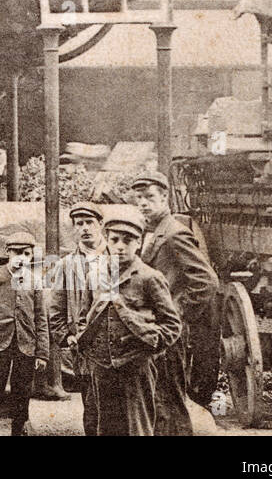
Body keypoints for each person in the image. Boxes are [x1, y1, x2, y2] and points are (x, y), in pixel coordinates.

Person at [76, 210, 182, 436]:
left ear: (139, 242)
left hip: (135, 367)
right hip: (101, 366)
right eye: (114, 239)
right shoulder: (95, 276)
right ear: (107, 240)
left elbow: (172, 326)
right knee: (102, 427)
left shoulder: (149, 277)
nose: (120, 246)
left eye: (128, 240)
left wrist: (149, 348)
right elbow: (82, 317)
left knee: (137, 428)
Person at [130, 170, 220, 436]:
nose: (143, 203)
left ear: (165, 197)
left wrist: (176, 314)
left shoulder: (174, 234)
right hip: (154, 331)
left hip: (167, 334)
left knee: (169, 401)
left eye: (149, 197)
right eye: (139, 198)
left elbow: (207, 281)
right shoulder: (152, 232)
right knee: (158, 402)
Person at [0, 232, 49, 436]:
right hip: (0, 342)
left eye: (27, 254)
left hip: (26, 345)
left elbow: (41, 318)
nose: (21, 258)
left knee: (22, 393)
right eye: (17, 252)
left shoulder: (35, 281)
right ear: (7, 252)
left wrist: (42, 352)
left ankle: (17, 432)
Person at [49, 203, 110, 435]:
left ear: (101, 225)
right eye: (79, 224)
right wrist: (67, 337)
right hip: (86, 350)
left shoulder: (119, 258)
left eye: (89, 222)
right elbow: (54, 307)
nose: (85, 228)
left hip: (118, 348)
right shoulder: (66, 265)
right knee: (92, 410)